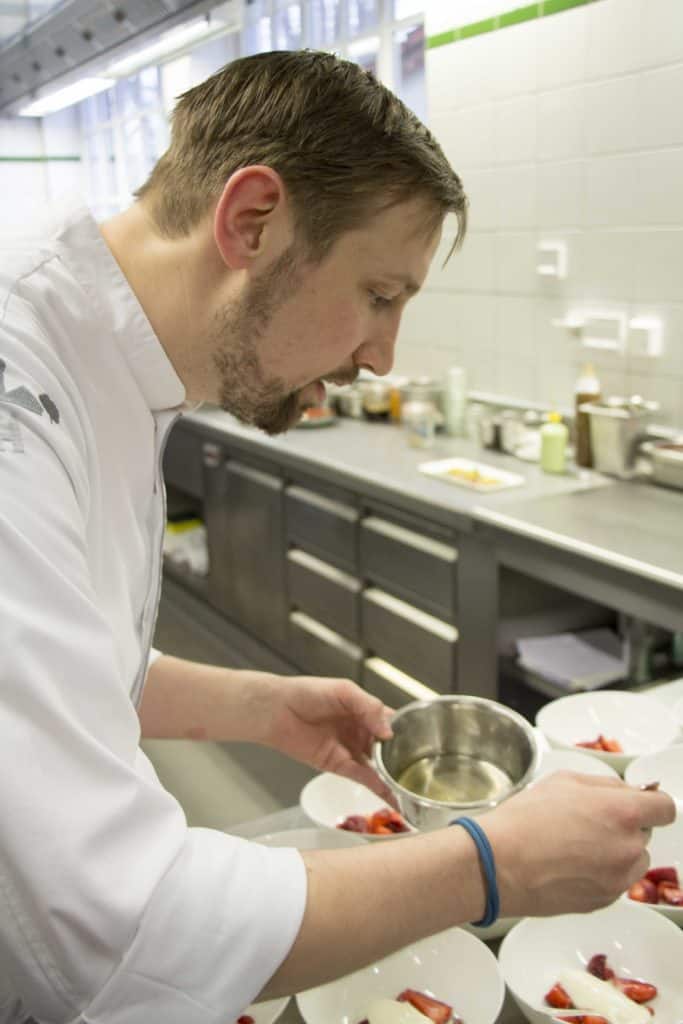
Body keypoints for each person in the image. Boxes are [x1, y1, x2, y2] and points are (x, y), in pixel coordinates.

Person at [0, 49, 674, 1024]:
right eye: (379, 295)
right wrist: (486, 864)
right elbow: (112, 927)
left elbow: (53, 666)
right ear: (251, 222)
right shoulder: (19, 399)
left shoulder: (109, 361)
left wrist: (253, 703)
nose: (380, 357)